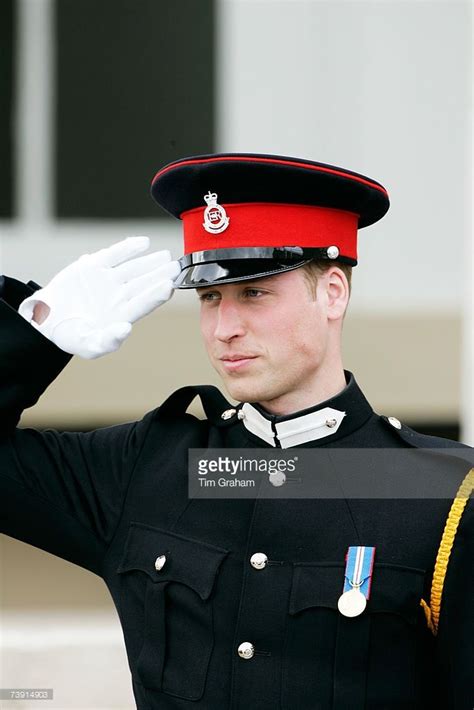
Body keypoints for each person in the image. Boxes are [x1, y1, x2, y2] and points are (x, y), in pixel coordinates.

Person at [1, 152, 473, 710]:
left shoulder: (440, 492)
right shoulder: (147, 467)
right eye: (209, 298)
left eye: (255, 293)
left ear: (333, 294)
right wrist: (32, 335)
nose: (225, 328)